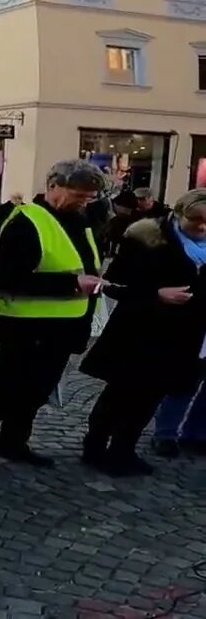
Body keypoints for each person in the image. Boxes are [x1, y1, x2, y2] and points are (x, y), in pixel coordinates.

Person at [0, 159, 108, 475]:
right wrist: (72, 284)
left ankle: (13, 443)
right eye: (78, 194)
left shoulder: (79, 220)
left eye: (88, 196)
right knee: (1, 391)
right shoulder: (27, 222)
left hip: (64, 327)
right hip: (26, 328)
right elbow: (9, 280)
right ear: (53, 186)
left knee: (35, 392)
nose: (84, 201)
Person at [82, 189, 206, 472]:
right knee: (120, 395)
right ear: (177, 214)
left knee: (152, 397)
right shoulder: (146, 239)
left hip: (184, 338)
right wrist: (156, 294)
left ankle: (125, 449)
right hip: (139, 332)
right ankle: (95, 446)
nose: (201, 226)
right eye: (195, 219)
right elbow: (114, 285)